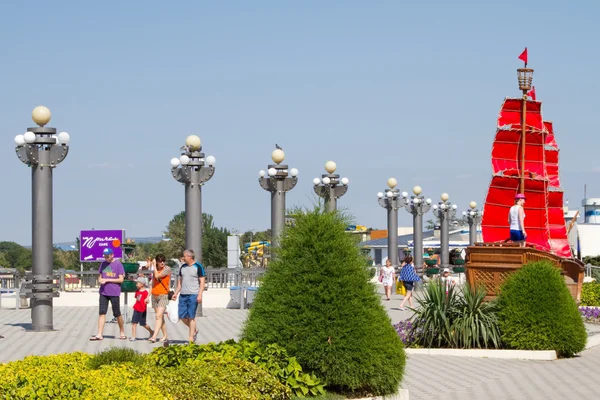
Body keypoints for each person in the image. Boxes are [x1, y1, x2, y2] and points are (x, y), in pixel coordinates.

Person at [90, 248, 126, 341]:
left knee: (117, 313)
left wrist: (108, 280)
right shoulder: (103, 264)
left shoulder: (118, 264)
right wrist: (100, 280)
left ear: (112, 255)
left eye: (107, 256)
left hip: (114, 292)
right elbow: (100, 276)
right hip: (103, 292)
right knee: (102, 312)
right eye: (104, 256)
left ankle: (122, 332)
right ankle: (99, 334)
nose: (106, 258)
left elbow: (121, 279)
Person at [172, 249, 206, 343]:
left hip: (193, 294)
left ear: (190, 257)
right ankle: (194, 329)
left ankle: (191, 337)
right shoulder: (182, 267)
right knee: (182, 316)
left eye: (184, 256)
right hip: (183, 294)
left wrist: (200, 295)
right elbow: (180, 282)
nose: (183, 258)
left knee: (191, 316)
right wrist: (176, 293)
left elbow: (202, 281)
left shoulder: (198, 266)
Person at [147, 253, 171, 343]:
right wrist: (148, 295)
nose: (162, 263)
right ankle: (165, 335)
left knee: (158, 316)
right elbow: (153, 283)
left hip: (163, 295)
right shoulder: (155, 270)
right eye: (160, 261)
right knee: (160, 317)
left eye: (163, 261)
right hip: (155, 295)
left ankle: (154, 336)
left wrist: (153, 265)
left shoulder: (167, 269)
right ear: (157, 262)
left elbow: (157, 276)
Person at [130, 277, 154, 341]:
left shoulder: (145, 292)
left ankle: (151, 331)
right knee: (134, 323)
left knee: (143, 324)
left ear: (142, 284)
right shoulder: (137, 291)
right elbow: (137, 299)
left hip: (142, 310)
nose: (136, 284)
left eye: (137, 283)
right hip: (136, 309)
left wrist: (147, 301)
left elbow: (147, 300)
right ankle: (133, 336)